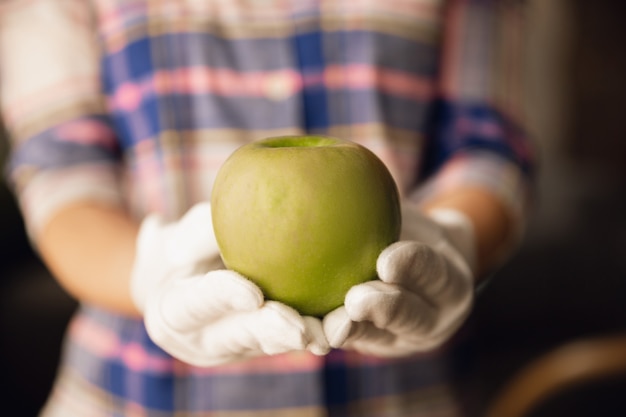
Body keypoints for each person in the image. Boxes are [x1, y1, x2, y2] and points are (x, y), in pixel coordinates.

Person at [0, 0, 534, 416]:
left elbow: (486, 150)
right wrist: (147, 274)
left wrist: (458, 240)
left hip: (411, 390)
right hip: (134, 392)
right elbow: (62, 173)